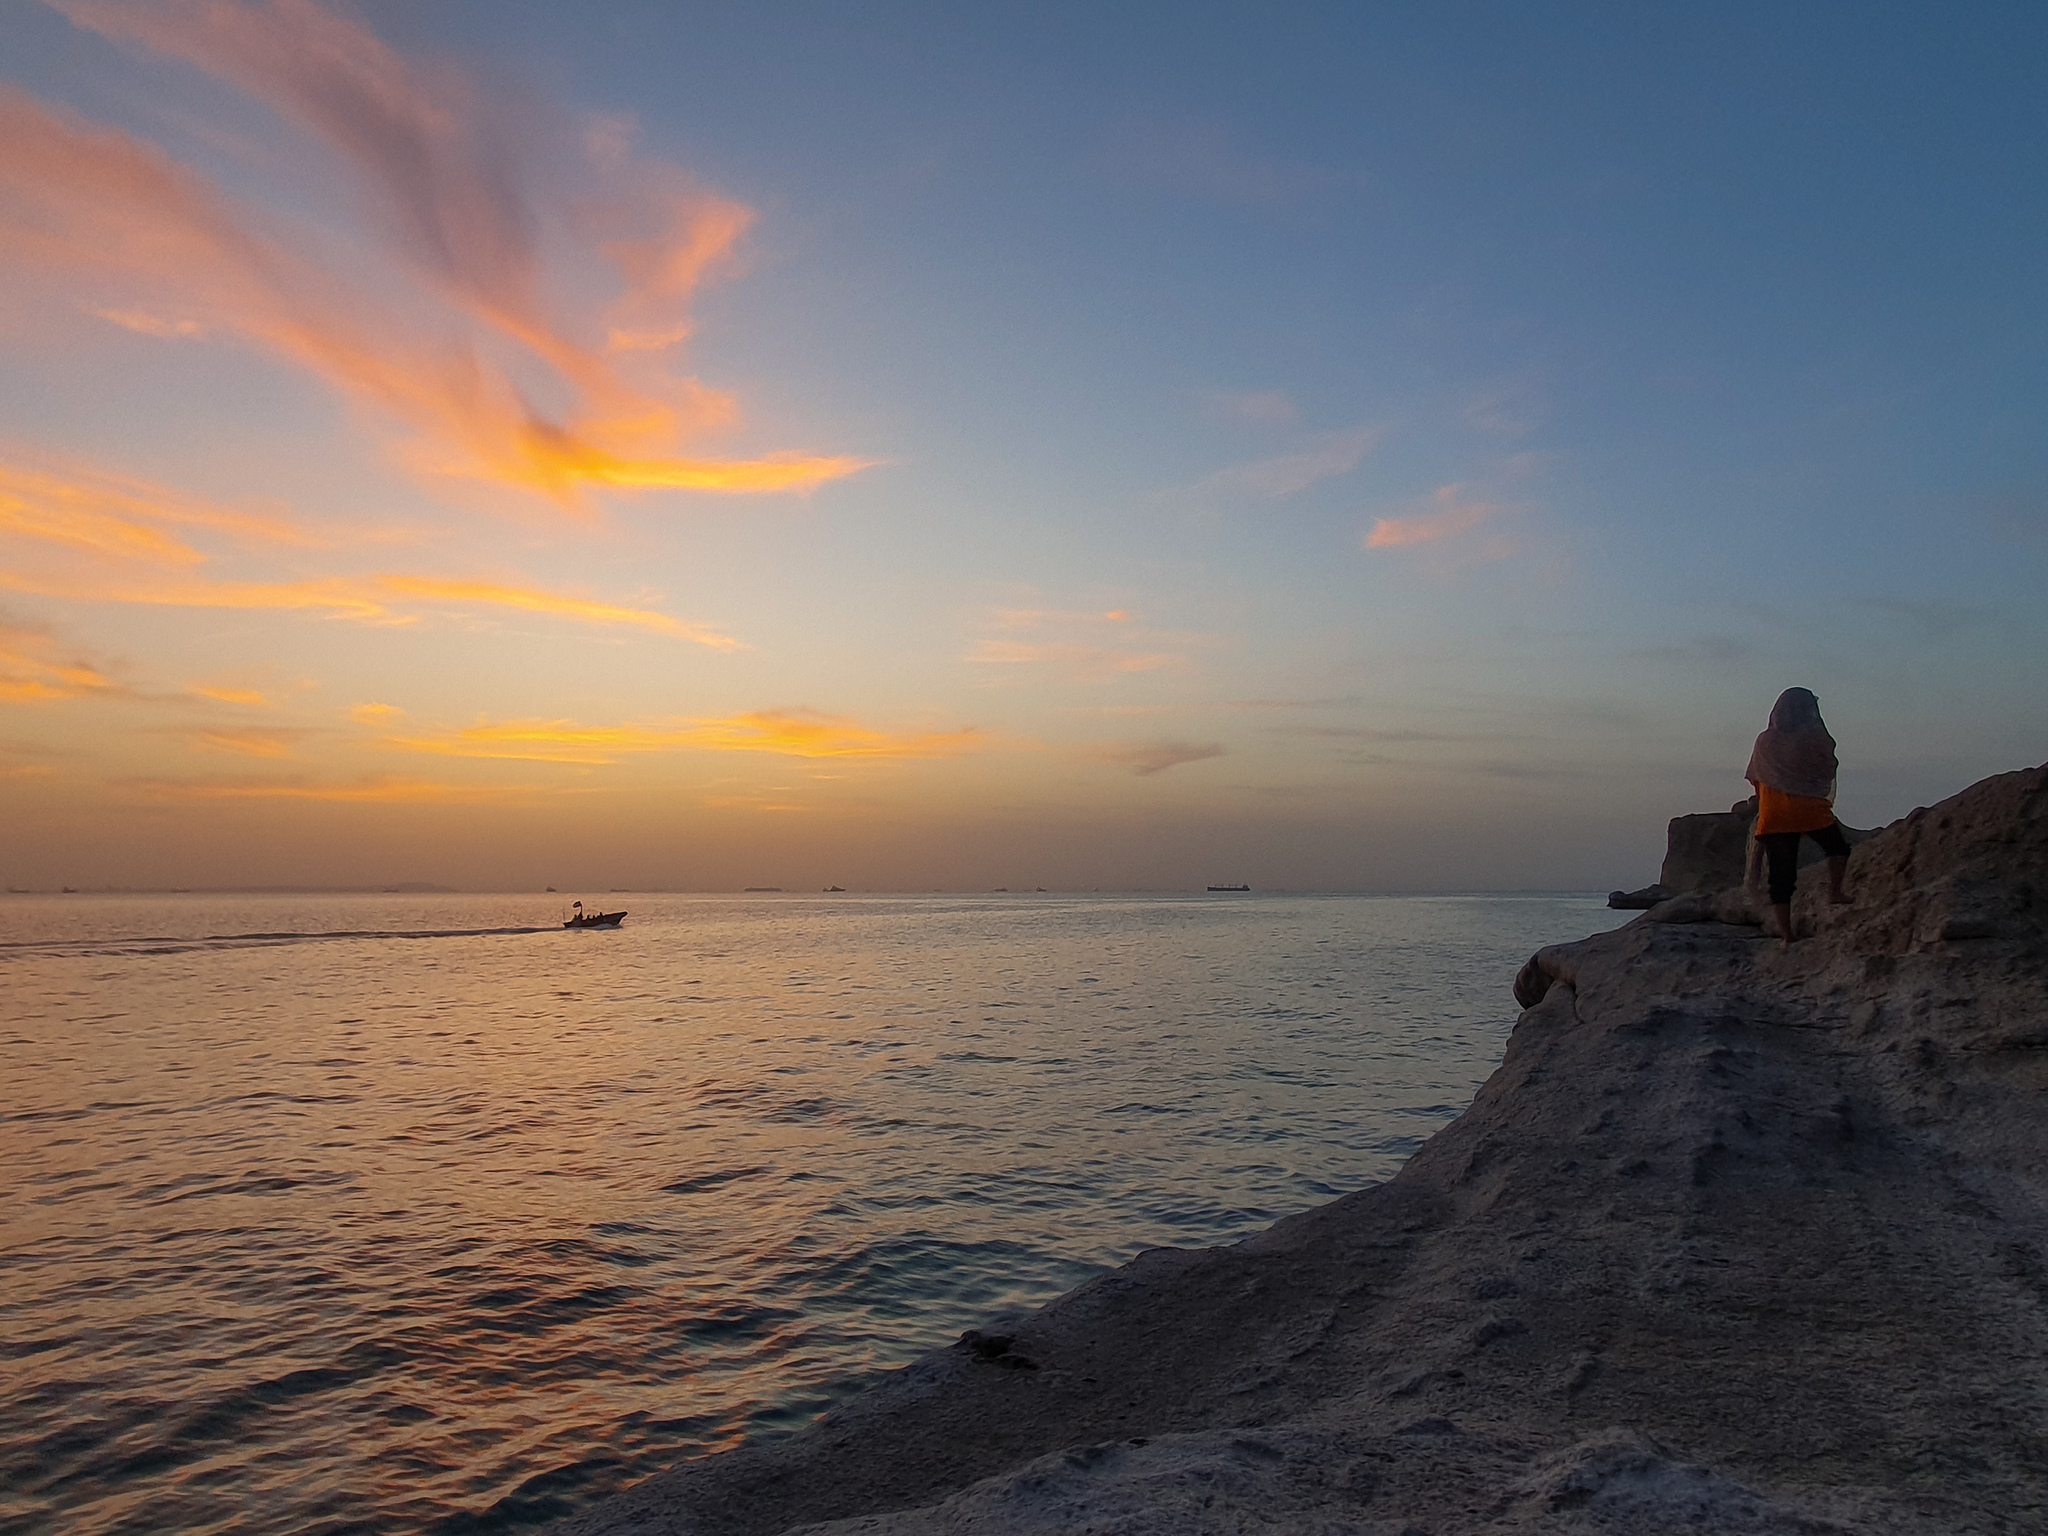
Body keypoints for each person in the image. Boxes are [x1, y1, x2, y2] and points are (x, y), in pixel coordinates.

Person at [1744, 687, 1850, 946]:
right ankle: (1835, 892)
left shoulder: (1764, 741)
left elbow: (1758, 779)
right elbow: (1828, 765)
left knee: (1781, 878)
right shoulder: (1814, 737)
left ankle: (1786, 936)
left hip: (1775, 814)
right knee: (1838, 849)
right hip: (1809, 810)